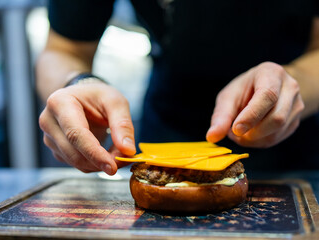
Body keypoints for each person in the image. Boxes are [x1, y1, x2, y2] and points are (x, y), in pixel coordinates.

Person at [37, 0, 319, 175]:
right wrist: (77, 83)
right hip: (167, 120)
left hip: (296, 137)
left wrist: (294, 80)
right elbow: (64, 49)